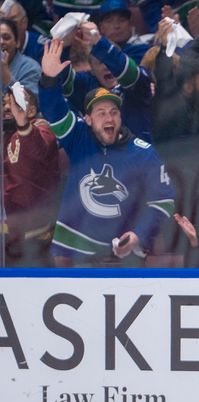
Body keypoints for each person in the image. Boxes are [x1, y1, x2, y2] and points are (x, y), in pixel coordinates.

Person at [39, 39, 176, 267]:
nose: (109, 117)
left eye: (114, 112)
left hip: (120, 249)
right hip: (74, 248)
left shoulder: (143, 152)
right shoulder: (78, 135)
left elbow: (164, 199)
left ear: (120, 117)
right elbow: (53, 111)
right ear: (89, 119)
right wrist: (48, 79)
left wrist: (139, 235)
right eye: (101, 112)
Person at [2, 85, 62, 267]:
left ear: (32, 110)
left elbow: (38, 150)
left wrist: (23, 124)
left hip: (36, 237)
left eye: (14, 104)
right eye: (4, 104)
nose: (7, 108)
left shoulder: (42, 129)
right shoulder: (7, 135)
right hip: (10, 233)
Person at [0, 18, 40, 94]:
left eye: (6, 37)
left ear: (17, 42)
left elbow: (29, 103)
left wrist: (7, 78)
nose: (1, 42)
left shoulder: (31, 68)